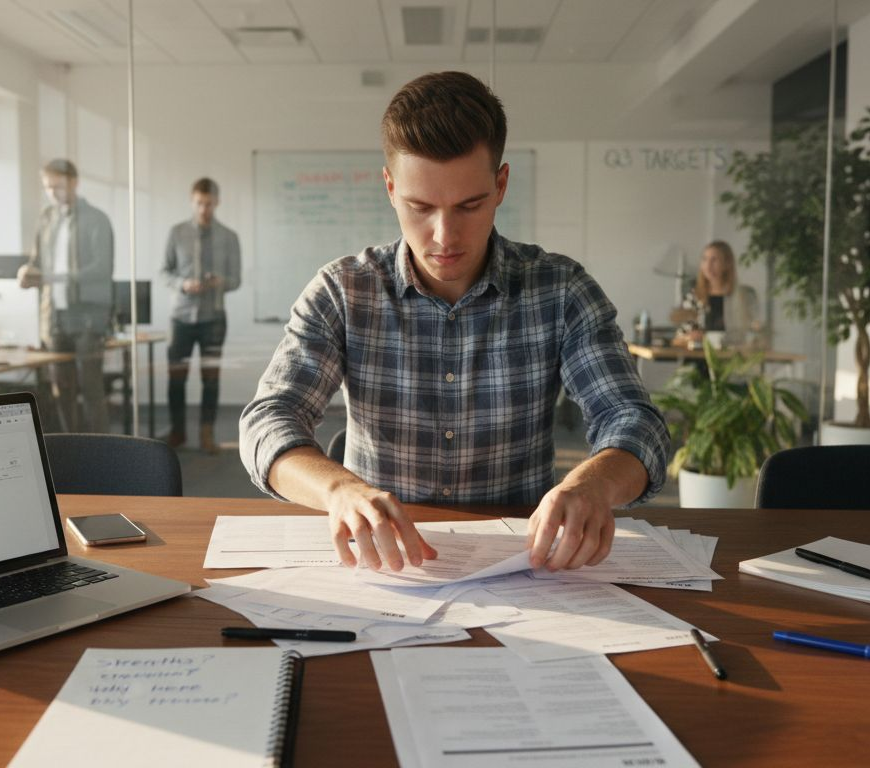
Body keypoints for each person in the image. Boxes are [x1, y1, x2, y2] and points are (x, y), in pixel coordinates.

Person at [239, 71, 668, 574]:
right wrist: (339, 490)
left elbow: (636, 421)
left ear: (501, 184)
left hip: (522, 567)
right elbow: (267, 420)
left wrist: (590, 484)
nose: (445, 236)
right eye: (420, 207)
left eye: (470, 205)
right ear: (390, 188)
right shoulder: (344, 290)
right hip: (384, 567)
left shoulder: (560, 290)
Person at [18, 159, 114, 433]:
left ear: (74, 183)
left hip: (86, 316)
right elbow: (38, 261)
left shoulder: (95, 219)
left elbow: (102, 268)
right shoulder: (47, 219)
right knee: (62, 388)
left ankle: (102, 456)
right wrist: (28, 272)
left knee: (91, 388)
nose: (53, 192)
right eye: (48, 187)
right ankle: (70, 452)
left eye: (58, 186)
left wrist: (59, 277)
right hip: (55, 315)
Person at [161, 178, 241, 453]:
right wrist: (183, 284)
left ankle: (207, 435)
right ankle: (178, 432)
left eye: (208, 203)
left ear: (217, 202)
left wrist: (221, 281)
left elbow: (236, 279)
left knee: (211, 380)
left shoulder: (229, 237)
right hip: (180, 317)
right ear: (192, 201)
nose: (204, 208)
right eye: (199, 203)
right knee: (176, 379)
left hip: (213, 317)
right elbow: (164, 272)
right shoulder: (176, 232)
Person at [691, 240, 761, 347]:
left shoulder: (746, 295)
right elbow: (684, 332)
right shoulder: (694, 296)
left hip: (734, 354)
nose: (708, 265)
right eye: (705, 259)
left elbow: (754, 328)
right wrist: (693, 335)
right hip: (701, 354)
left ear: (727, 263)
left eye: (714, 260)